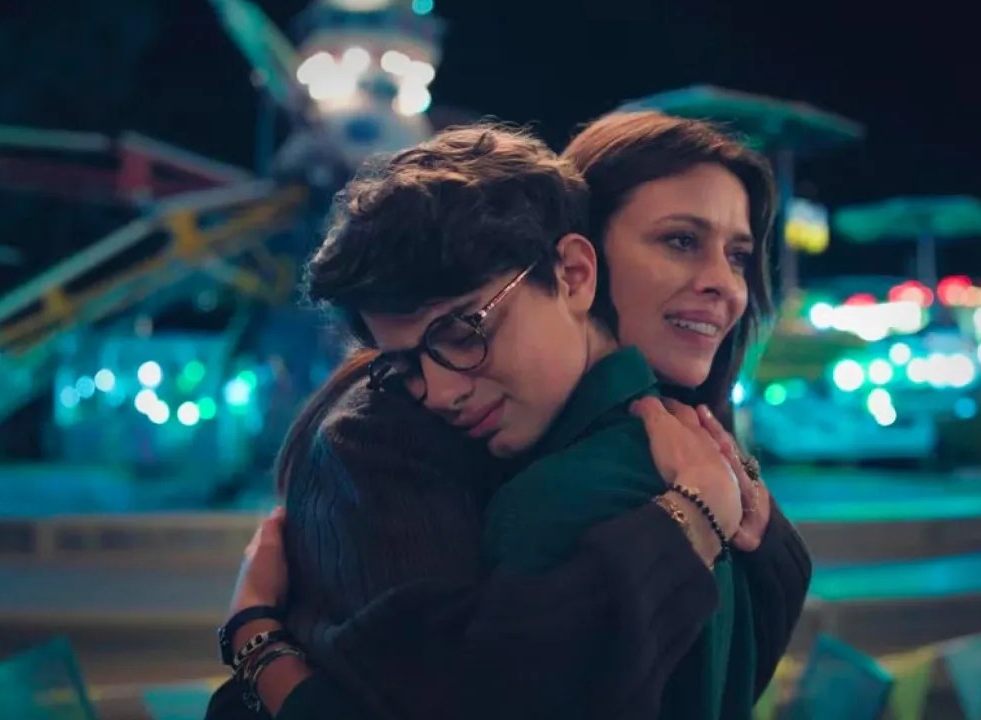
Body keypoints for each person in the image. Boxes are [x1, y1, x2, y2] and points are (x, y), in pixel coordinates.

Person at [209, 116, 810, 719]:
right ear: (583, 260)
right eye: (679, 240)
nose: (723, 285)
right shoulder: (387, 436)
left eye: (739, 254)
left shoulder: (620, 471)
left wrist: (256, 643)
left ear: (574, 273)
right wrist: (258, 643)